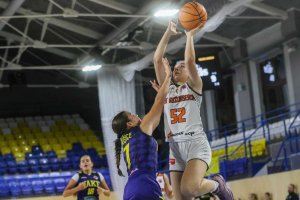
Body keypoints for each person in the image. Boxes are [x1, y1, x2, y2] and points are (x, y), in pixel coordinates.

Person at [153, 20, 233, 200]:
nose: (177, 68)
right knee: (181, 198)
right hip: (175, 147)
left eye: (181, 67)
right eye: (174, 68)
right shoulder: (167, 89)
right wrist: (167, 33)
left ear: (190, 73)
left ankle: (217, 185)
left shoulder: (194, 87)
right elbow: (157, 60)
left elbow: (189, 60)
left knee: (189, 189)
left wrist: (189, 36)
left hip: (196, 143)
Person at [112, 58, 171, 200]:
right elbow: (157, 104)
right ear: (129, 124)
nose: (136, 114)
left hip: (130, 189)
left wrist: (162, 98)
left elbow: (158, 111)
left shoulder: (125, 139)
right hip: (146, 184)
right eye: (132, 115)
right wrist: (168, 75)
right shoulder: (142, 128)